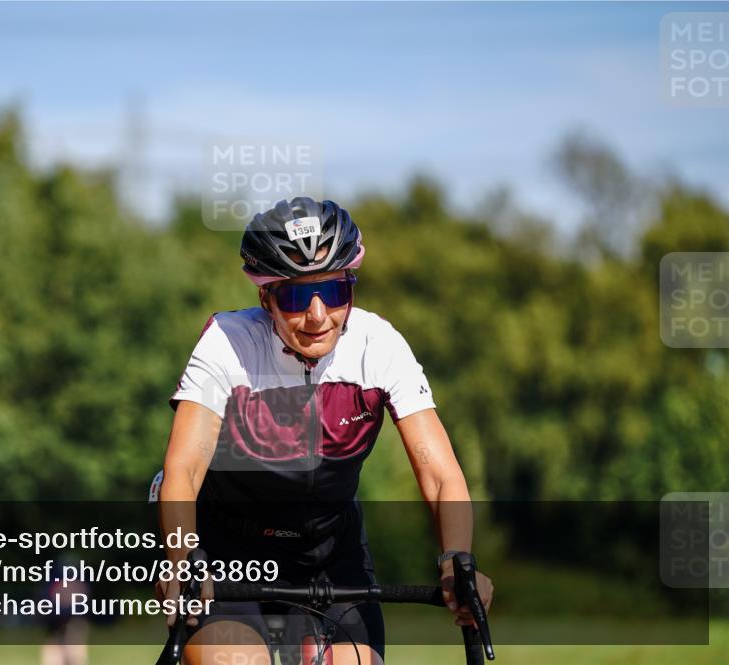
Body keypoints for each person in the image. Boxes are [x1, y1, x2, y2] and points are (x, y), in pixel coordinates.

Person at [157, 197, 493, 665]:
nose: (317, 315)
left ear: (351, 286)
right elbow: (184, 470)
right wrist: (180, 559)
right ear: (266, 298)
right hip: (228, 548)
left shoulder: (379, 345)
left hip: (330, 551)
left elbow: (440, 475)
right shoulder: (228, 342)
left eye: (333, 291)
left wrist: (457, 558)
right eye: (295, 297)